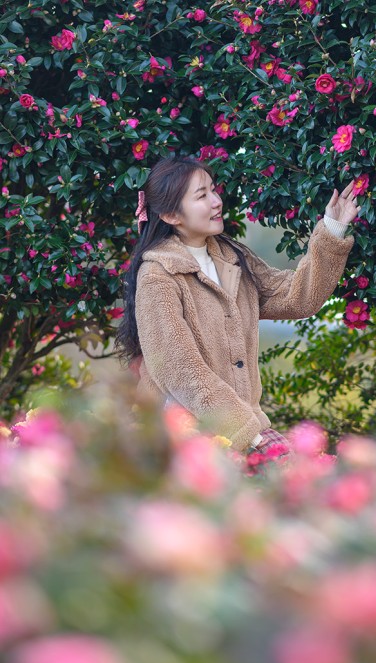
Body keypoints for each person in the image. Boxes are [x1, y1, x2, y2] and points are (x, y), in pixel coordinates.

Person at [114, 154, 359, 456]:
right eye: (201, 196)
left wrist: (332, 228)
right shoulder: (159, 275)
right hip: (179, 441)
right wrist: (251, 435)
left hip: (237, 436)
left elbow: (298, 297)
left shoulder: (230, 257)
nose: (217, 201)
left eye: (214, 190)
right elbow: (181, 371)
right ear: (170, 215)